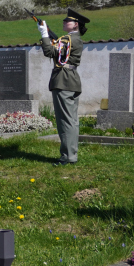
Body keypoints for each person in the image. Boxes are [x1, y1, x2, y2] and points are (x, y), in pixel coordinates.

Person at [38, 9, 89, 166]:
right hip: (71, 80)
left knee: (65, 121)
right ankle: (70, 154)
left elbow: (49, 51)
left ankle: (67, 157)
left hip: (63, 80)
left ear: (75, 25)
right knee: (71, 120)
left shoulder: (68, 39)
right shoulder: (73, 39)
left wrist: (44, 34)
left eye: (68, 21)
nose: (64, 22)